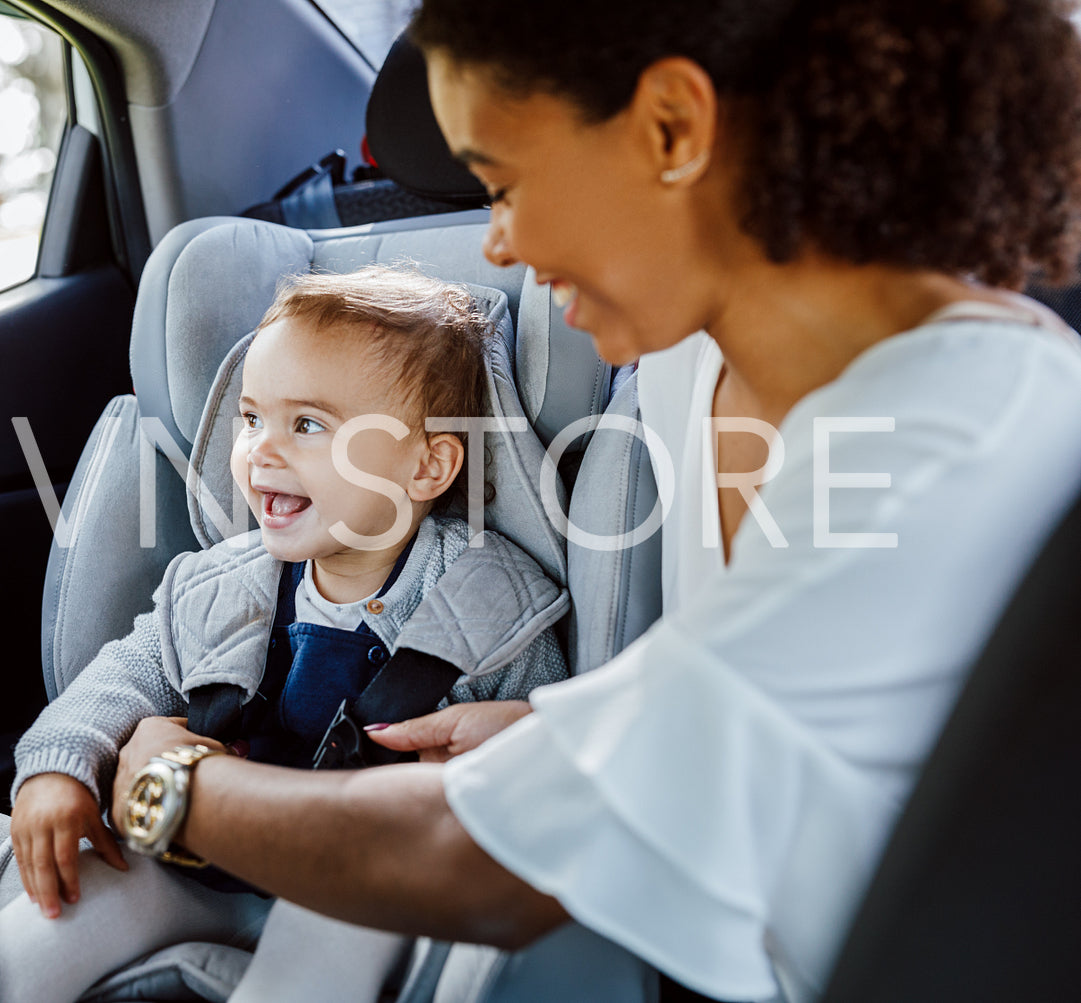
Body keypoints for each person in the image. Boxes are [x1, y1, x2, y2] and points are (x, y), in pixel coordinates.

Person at [105, 2, 1081, 1001]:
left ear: (670, 127)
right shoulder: (689, 365)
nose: (494, 243)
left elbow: (482, 863)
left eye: (503, 184)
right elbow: (773, 709)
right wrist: (547, 730)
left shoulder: (952, 436)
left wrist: (171, 786)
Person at [0, 264, 572, 1003]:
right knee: (56, 917)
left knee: (339, 924)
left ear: (426, 465)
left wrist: (523, 736)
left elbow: (555, 759)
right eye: (252, 417)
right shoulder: (219, 585)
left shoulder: (492, 607)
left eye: (308, 424)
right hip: (197, 862)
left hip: (359, 887)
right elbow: (120, 677)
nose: (260, 448)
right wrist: (56, 769)